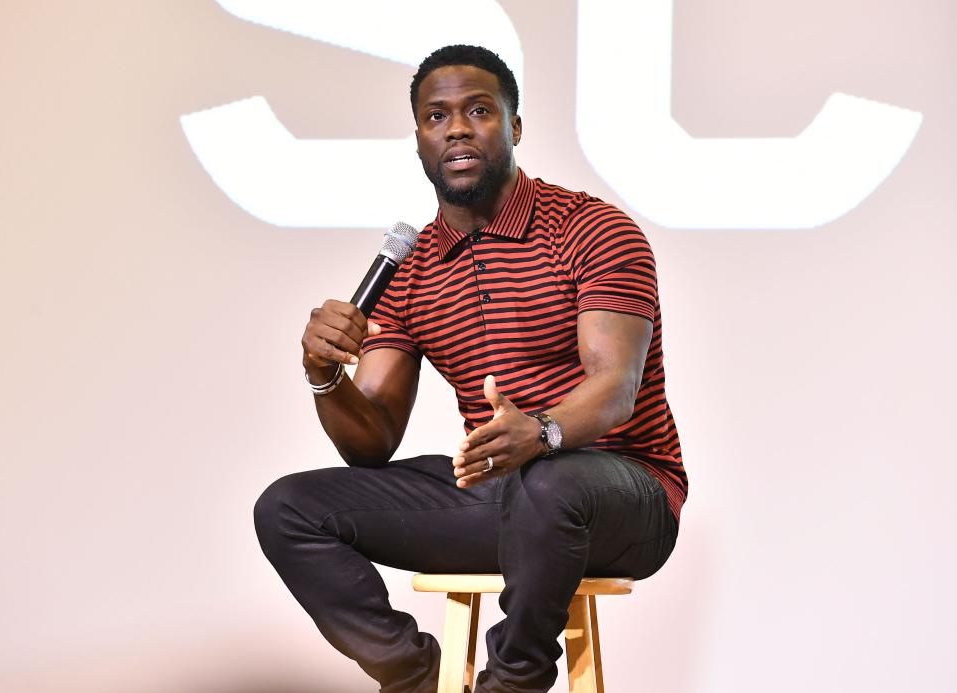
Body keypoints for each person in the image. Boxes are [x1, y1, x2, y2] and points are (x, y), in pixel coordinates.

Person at [254, 44, 687, 693]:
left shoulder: (591, 230)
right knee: (288, 506)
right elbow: (369, 441)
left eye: (478, 110)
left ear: (513, 127)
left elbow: (614, 388)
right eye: (435, 116)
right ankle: (417, 676)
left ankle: (510, 681)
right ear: (420, 139)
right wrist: (324, 374)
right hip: (500, 496)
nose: (455, 127)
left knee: (549, 484)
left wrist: (539, 433)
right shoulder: (413, 271)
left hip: (627, 495)